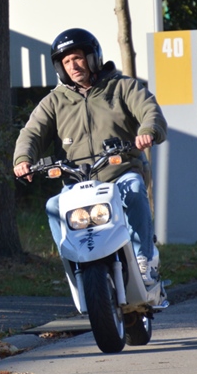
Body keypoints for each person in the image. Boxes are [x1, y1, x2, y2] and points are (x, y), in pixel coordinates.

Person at [13, 28, 167, 285]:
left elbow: (149, 110)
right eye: (66, 62)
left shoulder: (122, 87)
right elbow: (31, 133)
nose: (73, 66)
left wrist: (147, 131)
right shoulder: (55, 101)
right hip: (78, 183)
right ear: (60, 68)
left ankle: (144, 260)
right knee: (53, 207)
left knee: (134, 188)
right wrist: (23, 159)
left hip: (120, 173)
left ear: (93, 57)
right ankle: (74, 266)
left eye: (77, 58)